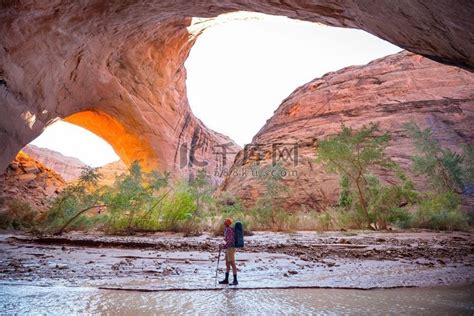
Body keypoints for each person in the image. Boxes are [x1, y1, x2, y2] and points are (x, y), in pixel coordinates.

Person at [218, 218, 238, 285]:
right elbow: (226, 240)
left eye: (225, 222)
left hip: (231, 248)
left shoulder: (229, 230)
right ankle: (226, 280)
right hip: (228, 248)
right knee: (227, 264)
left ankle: (235, 281)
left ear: (227, 223)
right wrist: (222, 245)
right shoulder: (226, 229)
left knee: (232, 263)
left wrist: (223, 247)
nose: (224, 223)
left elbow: (230, 241)